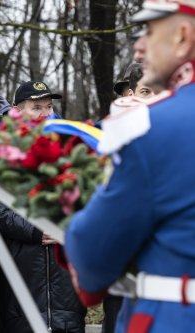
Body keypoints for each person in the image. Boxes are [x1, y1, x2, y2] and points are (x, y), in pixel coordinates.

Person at [65, 1, 195, 332]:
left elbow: (95, 256)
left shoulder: (153, 127)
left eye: (150, 32)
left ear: (182, 36)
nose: (138, 48)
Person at [0, 81, 86, 333]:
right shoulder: (2, 154)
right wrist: (36, 230)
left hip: (65, 284)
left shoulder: (71, 150)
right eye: (36, 108)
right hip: (23, 276)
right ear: (16, 111)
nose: (45, 114)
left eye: (48, 107)